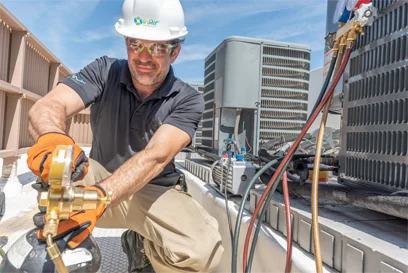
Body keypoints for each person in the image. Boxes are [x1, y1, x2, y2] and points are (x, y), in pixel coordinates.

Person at [25, 0, 224, 272]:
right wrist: (52, 137)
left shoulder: (187, 99)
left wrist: (101, 196)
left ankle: (144, 246)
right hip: (100, 177)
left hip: (153, 191)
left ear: (174, 52)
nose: (143, 57)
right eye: (135, 44)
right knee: (59, 163)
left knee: (203, 254)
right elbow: (48, 106)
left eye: (157, 47)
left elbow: (157, 155)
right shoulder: (104, 71)